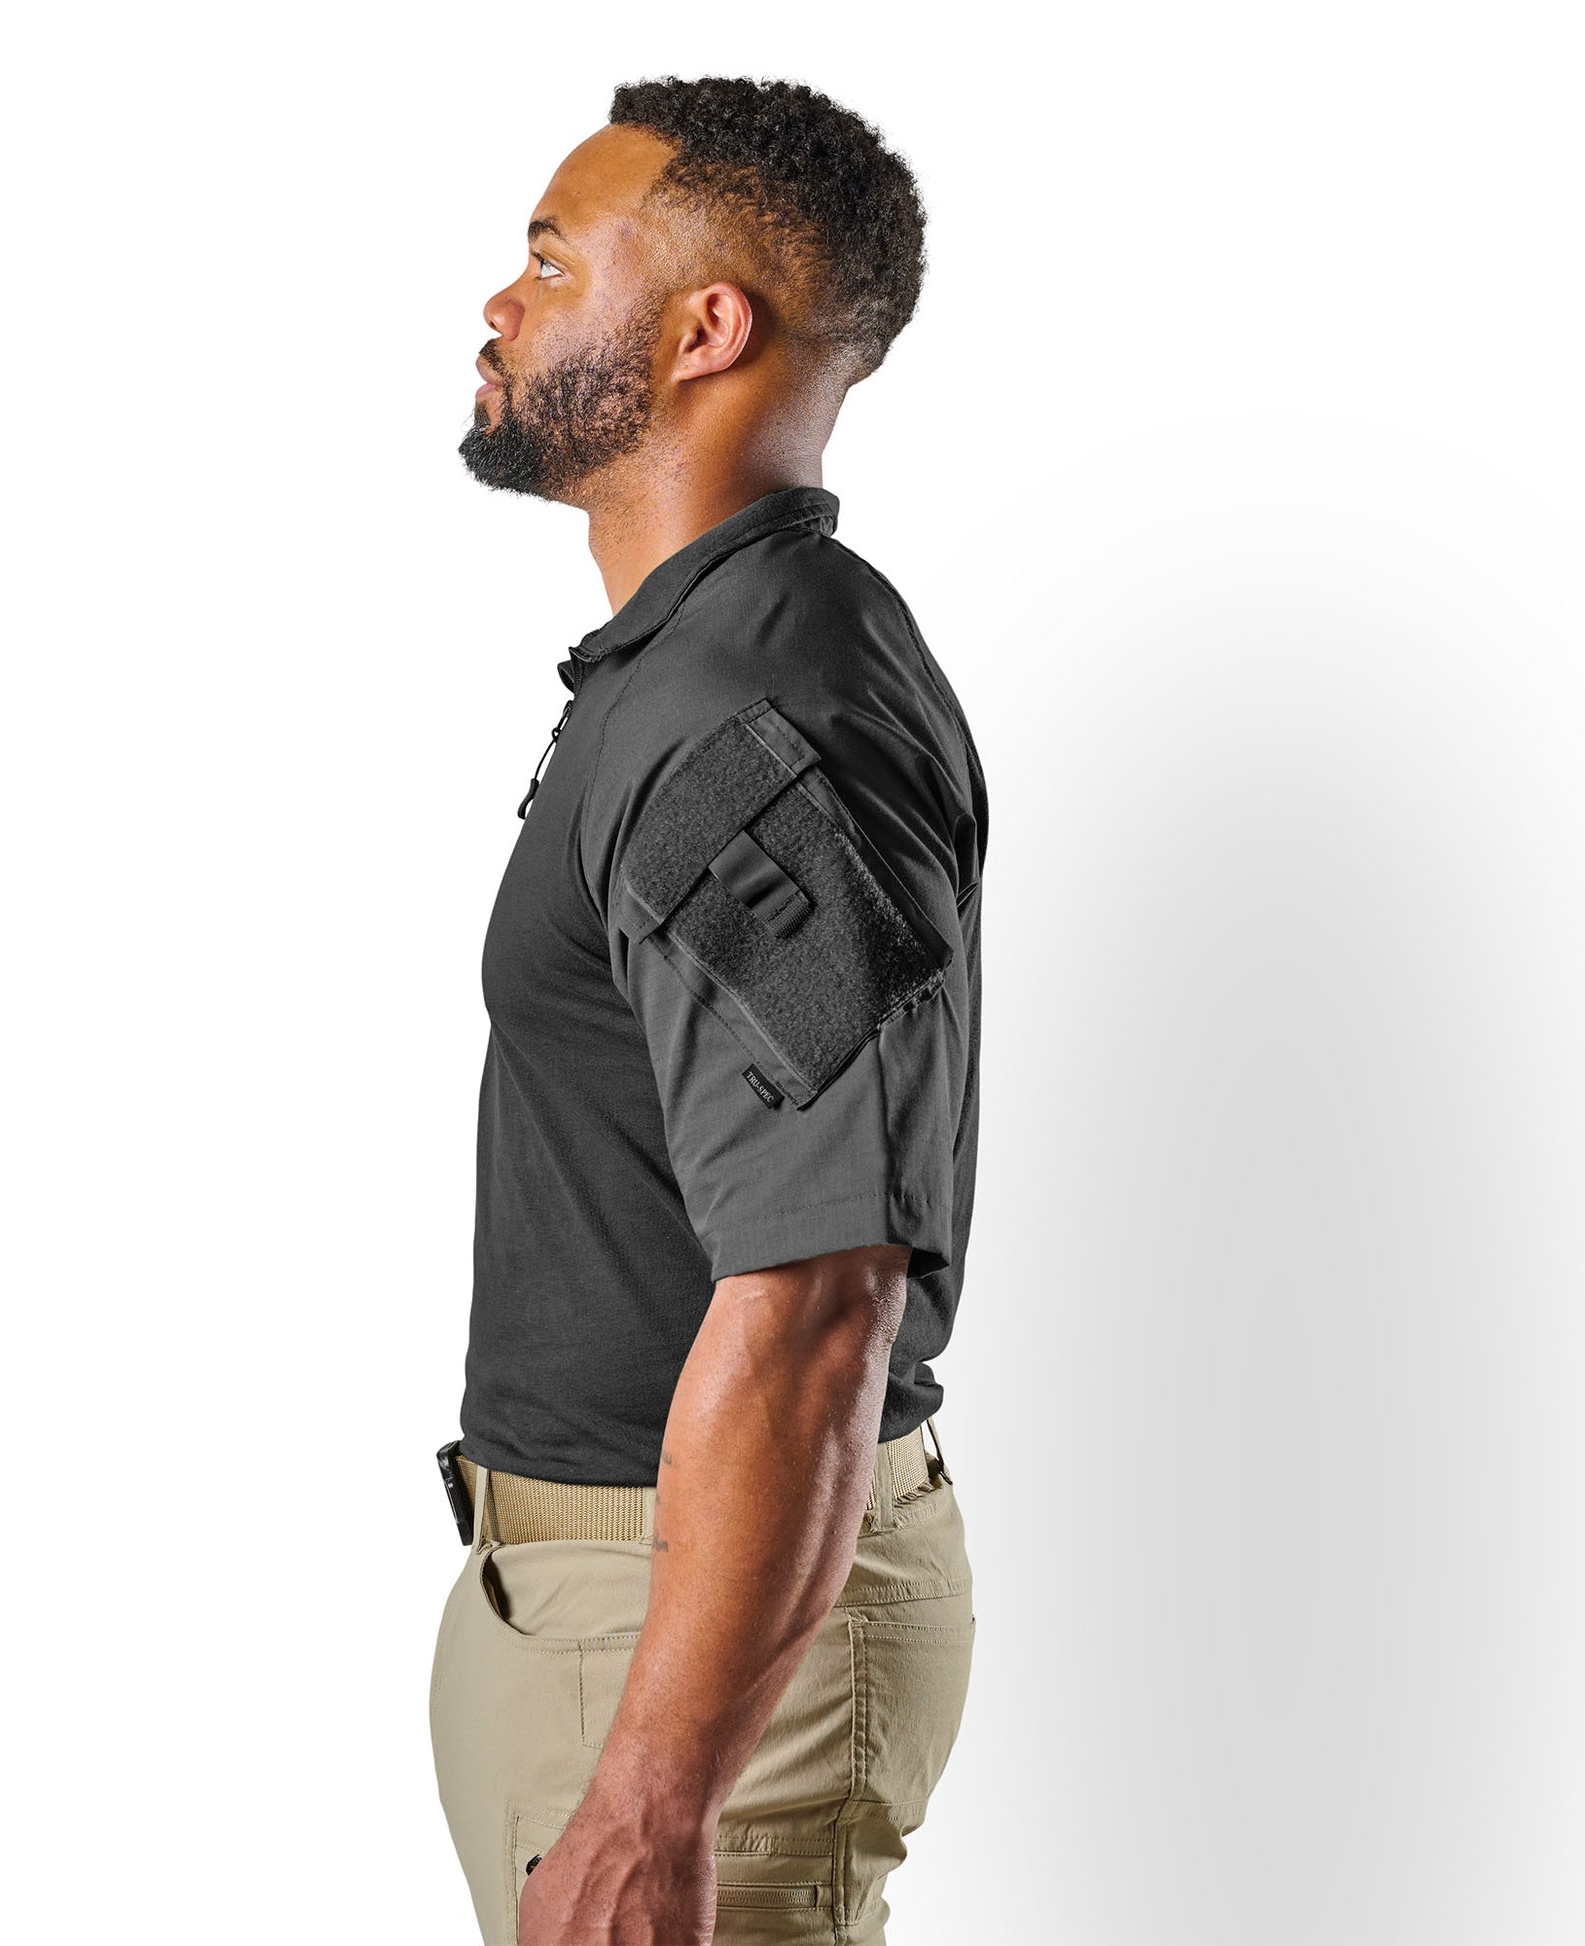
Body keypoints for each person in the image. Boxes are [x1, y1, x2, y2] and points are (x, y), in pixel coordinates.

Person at [430, 75, 989, 1945]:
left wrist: (653, 1795)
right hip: (623, 1609)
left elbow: (820, 1288)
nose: (499, 303)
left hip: (683, 1636)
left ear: (702, 331)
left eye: (547, 261)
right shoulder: (703, 660)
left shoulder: (742, 720)